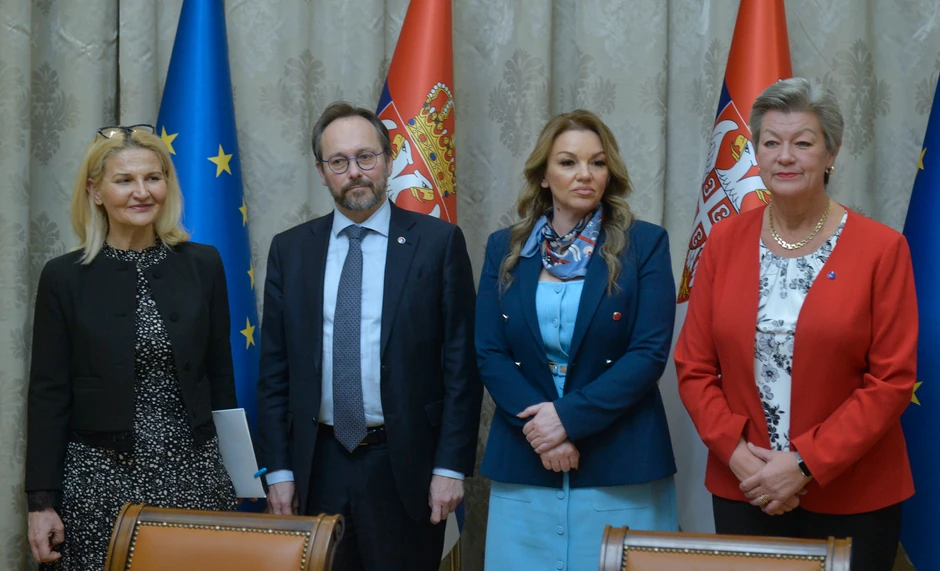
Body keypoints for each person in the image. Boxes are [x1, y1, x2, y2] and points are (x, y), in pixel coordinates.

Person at [675, 77, 916, 571]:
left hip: (853, 495)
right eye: (771, 143)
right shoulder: (723, 241)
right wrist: (738, 456)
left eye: (803, 143)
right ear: (756, 153)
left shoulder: (882, 249)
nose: (785, 157)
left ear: (831, 153)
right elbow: (693, 367)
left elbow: (891, 381)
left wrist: (805, 464)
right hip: (747, 487)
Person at [256, 102, 482, 571]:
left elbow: (462, 366)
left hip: (406, 468)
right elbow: (275, 370)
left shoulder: (438, 244)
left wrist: (450, 466)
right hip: (316, 466)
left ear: (389, 159)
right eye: (338, 161)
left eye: (366, 157)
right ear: (321, 173)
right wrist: (278, 470)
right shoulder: (290, 250)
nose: (355, 172)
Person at [25, 125, 237, 569]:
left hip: (193, 475)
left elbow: (221, 378)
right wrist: (41, 502)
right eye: (124, 180)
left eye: (153, 178)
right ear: (95, 191)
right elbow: (48, 395)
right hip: (98, 483)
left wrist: (236, 476)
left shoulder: (204, 264)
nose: (142, 192)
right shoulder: (63, 277)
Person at [476, 109, 679, 569]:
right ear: (543, 175)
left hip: (620, 461)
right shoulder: (503, 248)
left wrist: (566, 420)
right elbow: (490, 352)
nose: (585, 174)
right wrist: (545, 433)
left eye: (597, 162)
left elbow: (648, 353)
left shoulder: (645, 244)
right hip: (526, 458)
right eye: (568, 162)